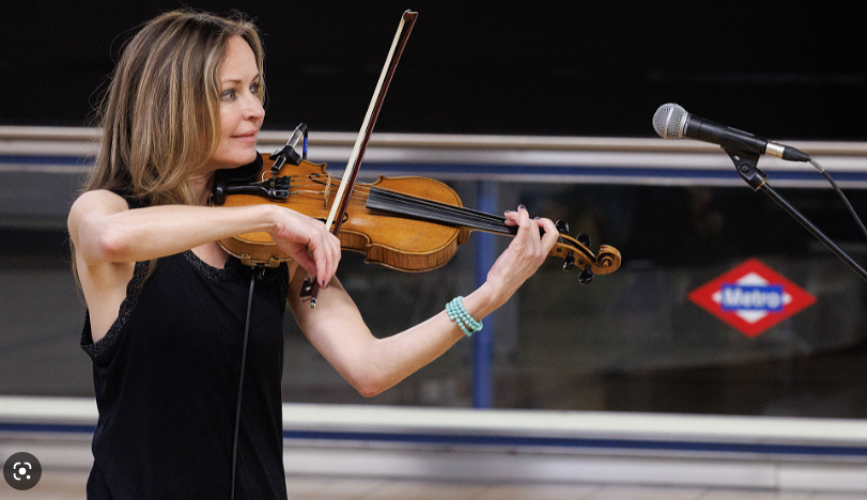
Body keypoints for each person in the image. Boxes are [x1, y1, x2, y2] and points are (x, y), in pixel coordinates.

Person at [68, 9, 559, 499]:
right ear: (170, 104)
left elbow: (370, 368)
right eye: (229, 93)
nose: (256, 110)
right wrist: (265, 218)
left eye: (255, 88)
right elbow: (110, 237)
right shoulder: (109, 209)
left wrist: (487, 297)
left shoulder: (270, 245)